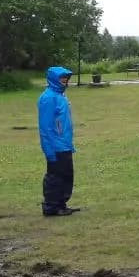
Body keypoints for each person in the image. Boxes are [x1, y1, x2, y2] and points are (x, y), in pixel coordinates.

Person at [38, 66, 79, 216]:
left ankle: (61, 204)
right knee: (55, 176)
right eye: (62, 78)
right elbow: (45, 127)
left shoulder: (61, 96)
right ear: (54, 79)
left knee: (66, 175)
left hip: (64, 144)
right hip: (55, 146)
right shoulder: (48, 98)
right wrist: (49, 150)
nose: (65, 81)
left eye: (66, 78)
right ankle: (51, 207)